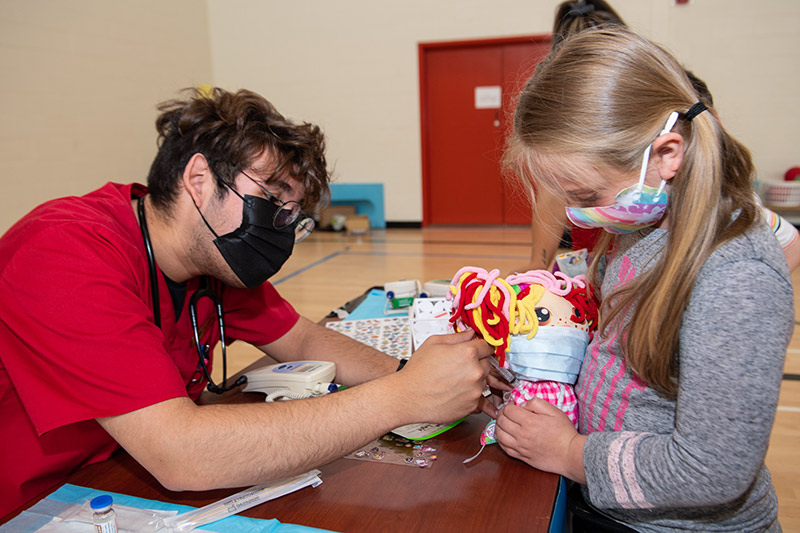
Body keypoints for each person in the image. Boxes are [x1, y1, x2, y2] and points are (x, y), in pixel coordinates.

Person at [0, 87, 494, 516]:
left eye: (292, 215)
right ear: (198, 179)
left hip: (106, 478)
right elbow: (180, 452)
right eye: (273, 199)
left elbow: (301, 338)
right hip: (25, 504)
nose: (280, 227)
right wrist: (401, 398)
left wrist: (421, 377)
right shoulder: (64, 252)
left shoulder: (212, 261)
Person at [496, 28, 792, 531]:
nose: (578, 215)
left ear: (667, 154)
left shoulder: (737, 278)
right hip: (608, 503)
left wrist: (570, 452)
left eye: (588, 194)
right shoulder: (640, 227)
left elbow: (713, 470)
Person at [520, 0, 800, 273]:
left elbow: (784, 244)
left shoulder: (729, 247)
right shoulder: (637, 227)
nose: (574, 211)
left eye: (585, 196)